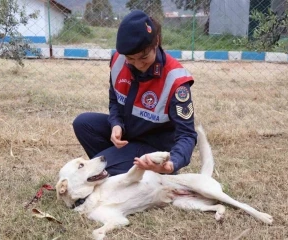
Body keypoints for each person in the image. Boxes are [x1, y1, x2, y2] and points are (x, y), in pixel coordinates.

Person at [73, 10, 197, 176]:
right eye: (131, 58)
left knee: (102, 170)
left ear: (156, 42)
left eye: (144, 57)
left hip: (154, 148)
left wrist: (172, 163)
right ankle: (121, 171)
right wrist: (116, 123)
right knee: (83, 124)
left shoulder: (176, 80)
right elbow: (115, 101)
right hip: (129, 136)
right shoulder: (118, 61)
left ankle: (148, 173)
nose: (138, 64)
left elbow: (187, 135)